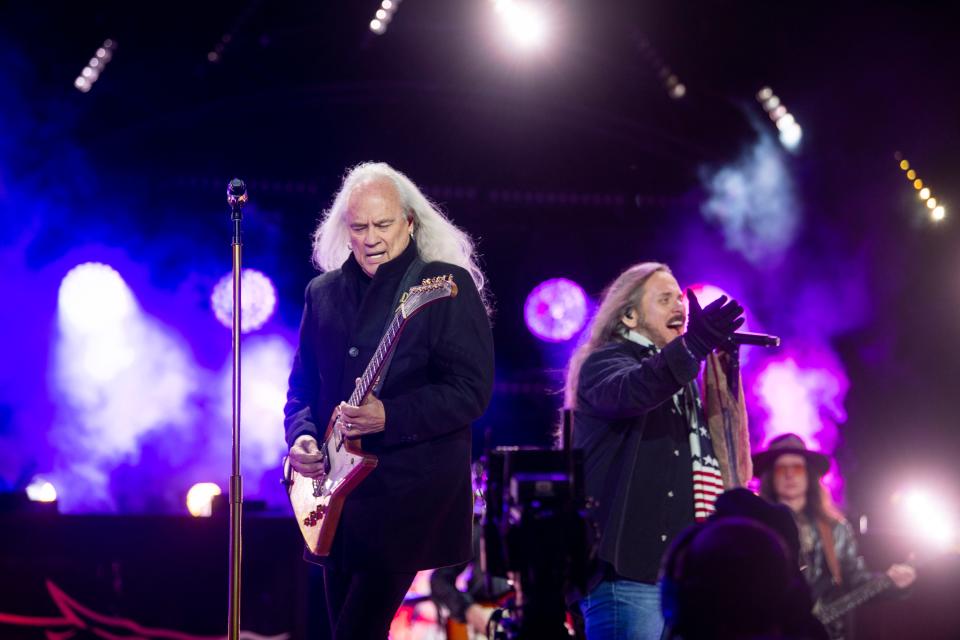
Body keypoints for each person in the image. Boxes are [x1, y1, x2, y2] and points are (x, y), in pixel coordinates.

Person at [283, 162, 495, 639]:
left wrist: (390, 416)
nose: (371, 237)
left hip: (407, 496)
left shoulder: (443, 284)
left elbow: (471, 390)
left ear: (410, 222)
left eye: (383, 224)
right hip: (336, 497)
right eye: (359, 227)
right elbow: (302, 389)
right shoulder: (323, 293)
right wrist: (302, 437)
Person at [563, 262, 745, 640]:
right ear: (629, 315)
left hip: (681, 581)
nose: (680, 307)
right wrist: (692, 346)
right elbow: (635, 390)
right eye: (665, 299)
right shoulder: (604, 363)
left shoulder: (686, 381)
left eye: (680, 298)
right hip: (627, 575)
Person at [754, 433, 917, 640]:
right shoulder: (755, 526)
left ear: (809, 475)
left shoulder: (836, 529)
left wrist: (893, 583)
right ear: (770, 475)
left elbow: (855, 580)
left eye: (797, 467)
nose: (789, 475)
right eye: (781, 468)